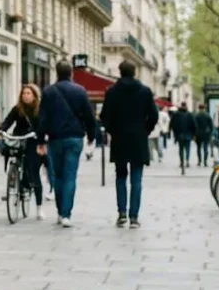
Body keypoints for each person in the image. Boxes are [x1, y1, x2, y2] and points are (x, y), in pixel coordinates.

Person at [36, 61, 97, 227]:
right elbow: (89, 115)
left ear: (56, 72)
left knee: (58, 175)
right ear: (71, 73)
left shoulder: (48, 91)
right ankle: (66, 214)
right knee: (70, 175)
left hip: (55, 138)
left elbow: (42, 118)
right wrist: (92, 135)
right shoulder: (80, 91)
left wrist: (40, 140)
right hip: (75, 138)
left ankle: (60, 211)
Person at [100, 60, 158, 229]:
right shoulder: (145, 92)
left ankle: (122, 213)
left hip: (119, 139)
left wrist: (113, 131)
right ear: (135, 72)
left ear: (120, 72)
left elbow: (104, 116)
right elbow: (153, 116)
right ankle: (134, 217)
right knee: (137, 179)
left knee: (120, 176)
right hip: (139, 139)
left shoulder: (112, 92)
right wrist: (145, 130)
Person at [1, 84, 45, 220]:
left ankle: (39, 208)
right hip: (19, 138)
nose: (25, 96)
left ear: (34, 96)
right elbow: (8, 121)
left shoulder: (39, 109)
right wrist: (1, 130)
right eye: (24, 93)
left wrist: (40, 136)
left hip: (33, 140)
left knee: (33, 171)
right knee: (13, 156)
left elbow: (43, 125)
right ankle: (13, 184)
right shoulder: (18, 109)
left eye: (28, 93)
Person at [171, 102, 196, 169]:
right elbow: (193, 125)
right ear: (186, 106)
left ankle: (182, 161)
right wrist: (193, 134)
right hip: (188, 134)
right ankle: (187, 161)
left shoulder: (176, 114)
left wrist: (175, 134)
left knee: (181, 149)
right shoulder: (189, 114)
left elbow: (173, 125)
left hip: (180, 135)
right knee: (187, 149)